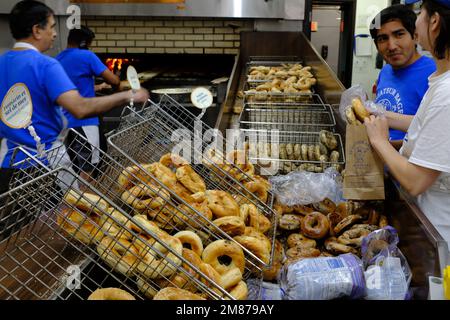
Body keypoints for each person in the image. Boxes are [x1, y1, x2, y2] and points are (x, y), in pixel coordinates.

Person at [0, 0, 148, 194]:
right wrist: (127, 95)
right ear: (37, 30)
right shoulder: (45, 65)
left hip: (8, 161)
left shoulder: (3, 63)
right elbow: (80, 108)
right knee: (66, 218)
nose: (54, 34)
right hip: (46, 163)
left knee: (22, 223)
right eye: (52, 27)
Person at [365, 0, 450, 263]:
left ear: (433, 22)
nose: (391, 44)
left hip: (439, 232)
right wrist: (383, 117)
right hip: (418, 217)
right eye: (382, 38)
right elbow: (425, 129)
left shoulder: (446, 93)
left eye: (420, 14)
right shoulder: (440, 81)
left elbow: (417, 181)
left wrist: (380, 141)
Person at [56, 26, 120, 181]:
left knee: (71, 167)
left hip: (62, 122)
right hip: (84, 121)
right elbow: (113, 80)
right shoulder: (87, 56)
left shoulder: (57, 59)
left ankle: (72, 200)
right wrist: (118, 84)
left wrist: (95, 87)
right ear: (84, 42)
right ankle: (86, 203)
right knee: (89, 169)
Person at [369, 4, 436, 149]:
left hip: (411, 168)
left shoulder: (435, 74)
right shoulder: (385, 71)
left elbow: (436, 134)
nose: (391, 46)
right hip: (380, 165)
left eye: (399, 34)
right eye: (382, 38)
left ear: (415, 36)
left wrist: (384, 145)